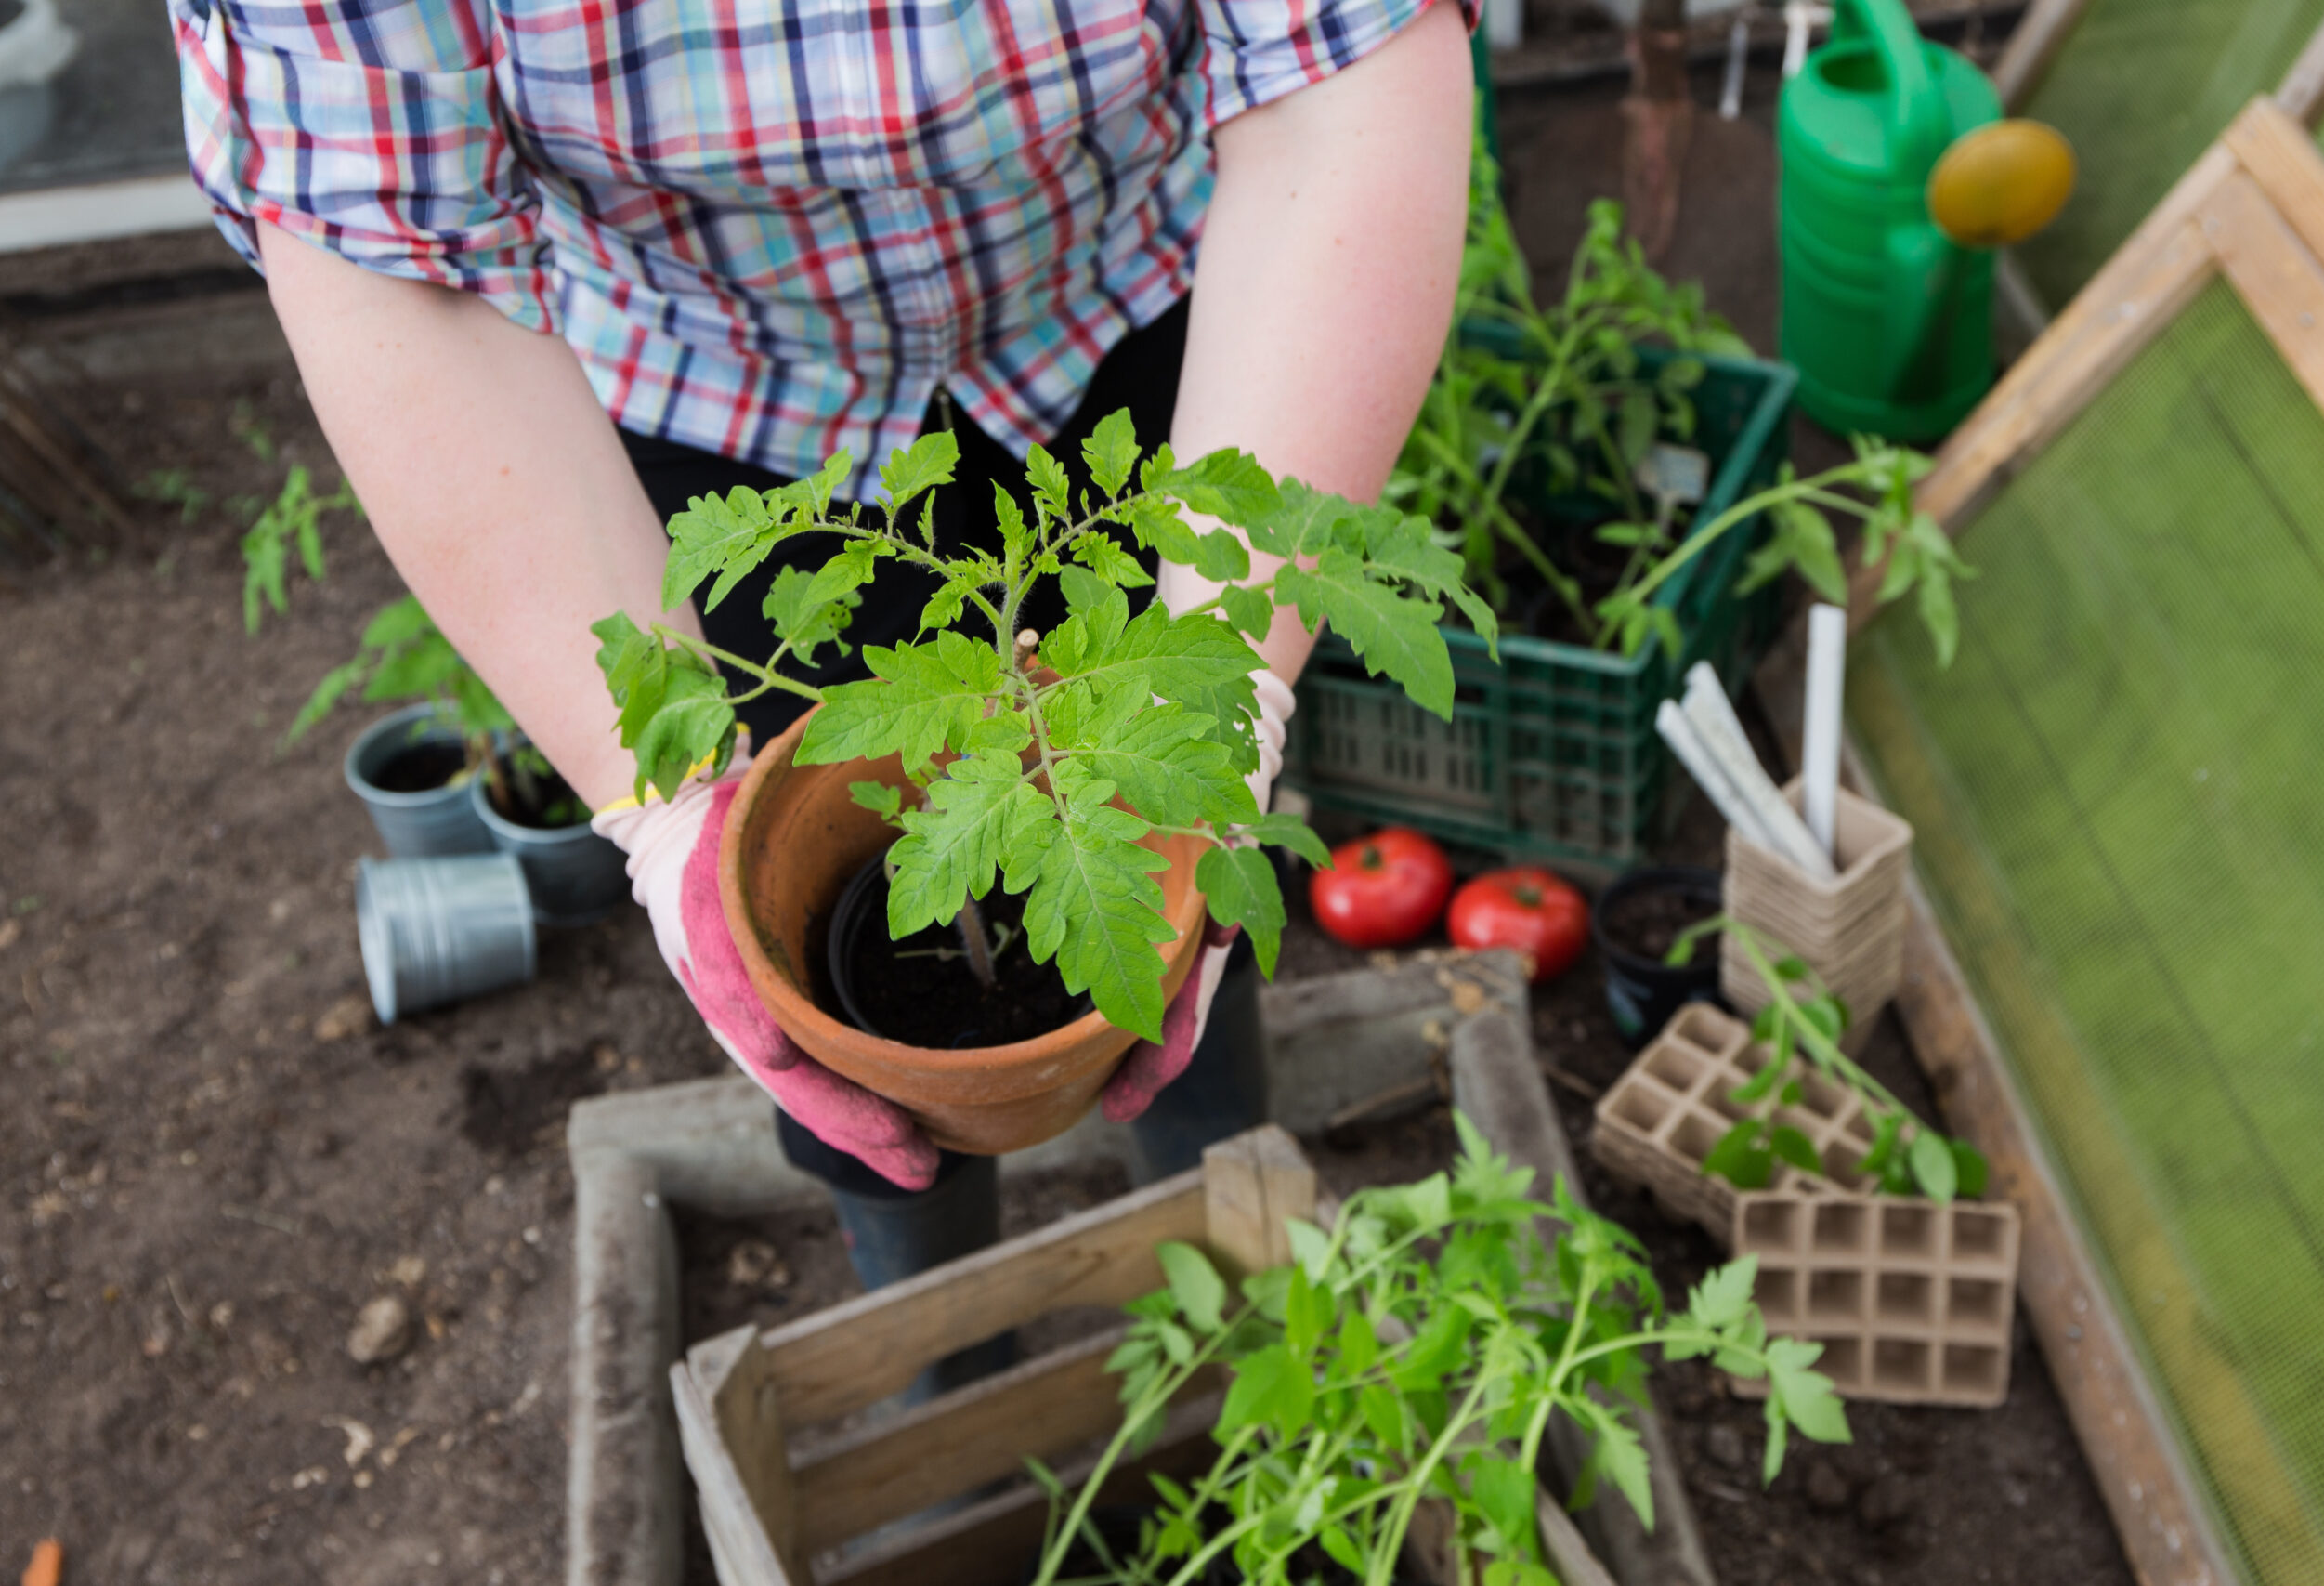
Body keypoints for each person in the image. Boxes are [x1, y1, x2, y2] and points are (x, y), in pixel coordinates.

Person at [175, 0, 1474, 1367]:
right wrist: (667, 812)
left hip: (1154, 302)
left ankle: (1235, 1280)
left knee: (1182, 869)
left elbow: (1345, 62)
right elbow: (381, 245)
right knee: (790, 953)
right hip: (724, 404)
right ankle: (943, 1359)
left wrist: (1225, 689)